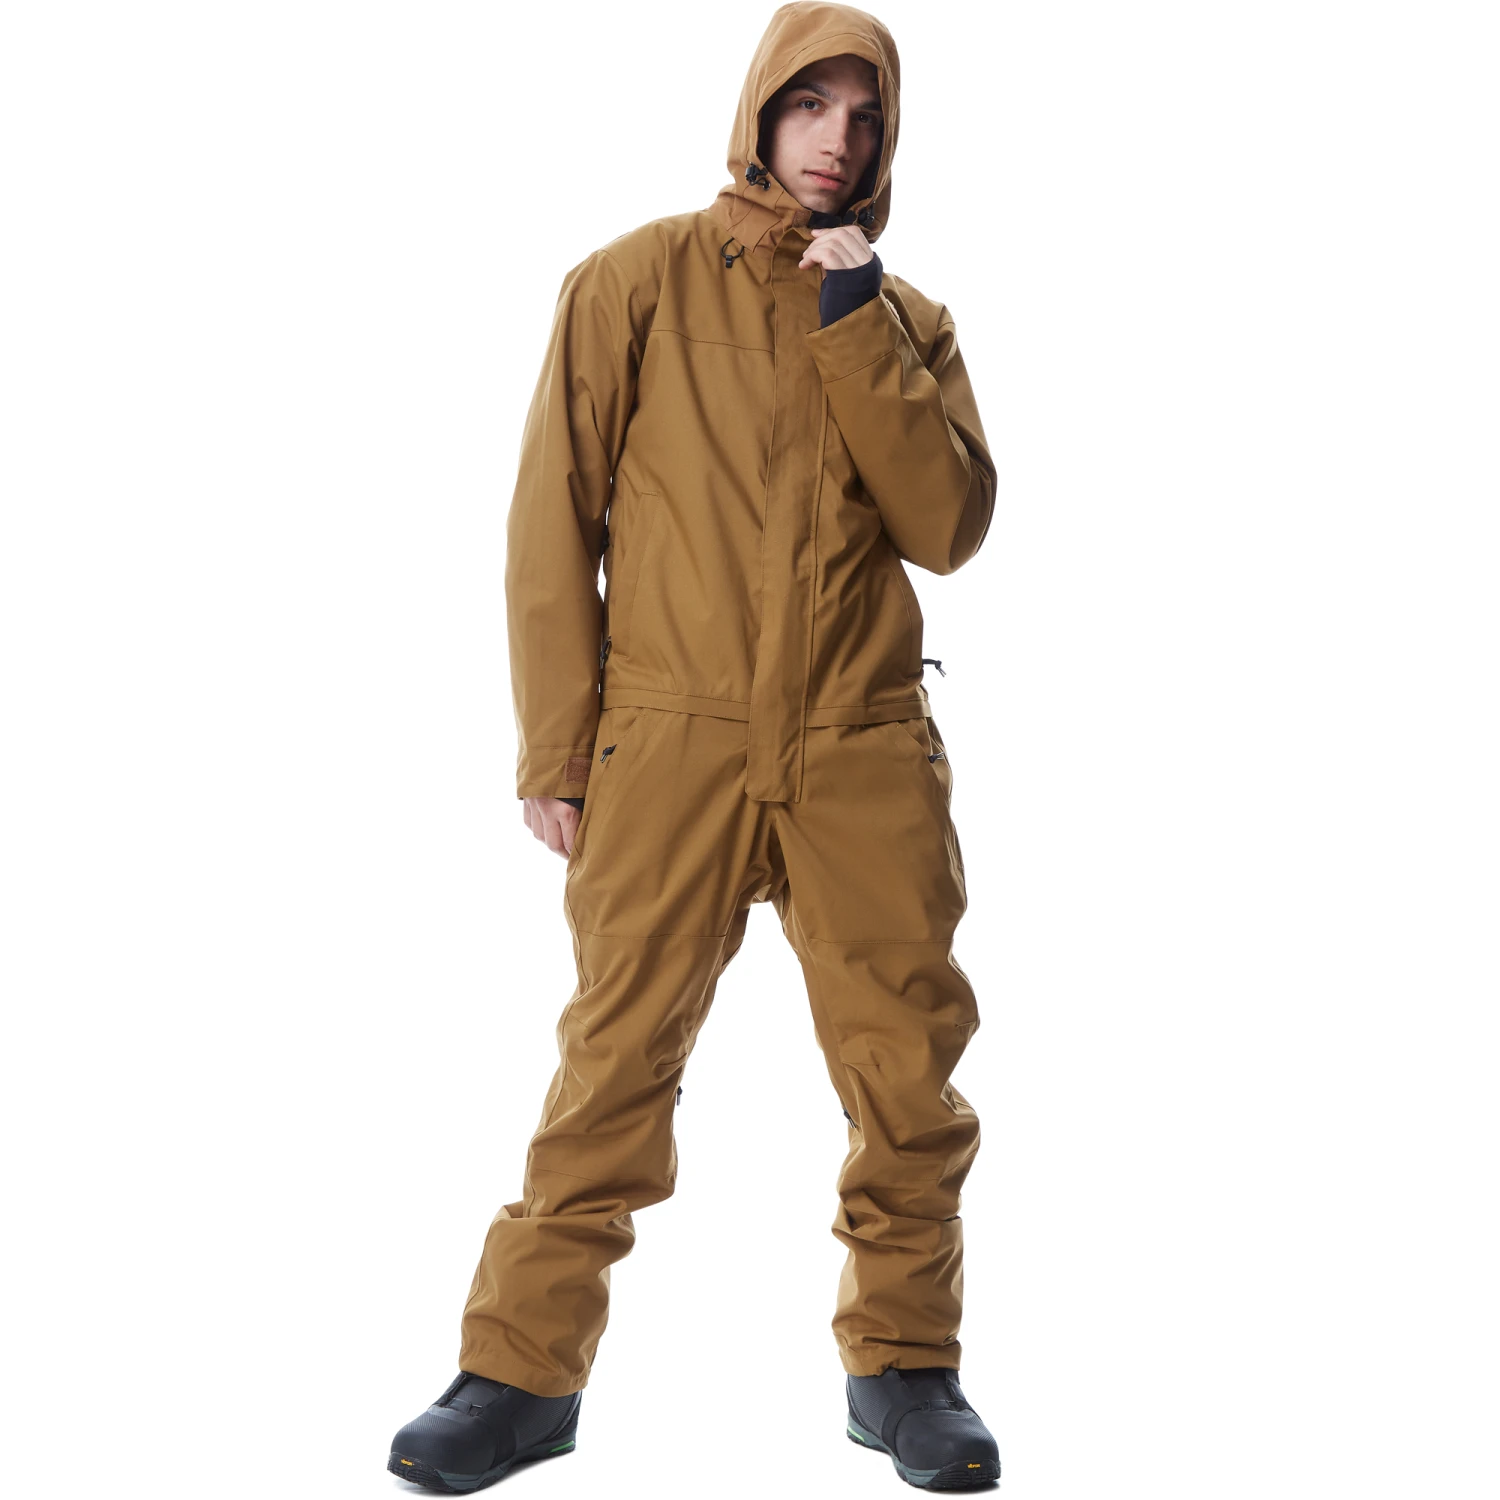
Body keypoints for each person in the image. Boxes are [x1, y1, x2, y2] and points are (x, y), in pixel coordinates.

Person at [388, 3, 1000, 1491]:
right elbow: (552, 521)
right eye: (812, 104)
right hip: (672, 741)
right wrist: (558, 747)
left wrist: (854, 323)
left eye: (865, 115)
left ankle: (905, 1366)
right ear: (760, 111)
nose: (836, 138)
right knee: (613, 1061)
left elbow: (948, 526)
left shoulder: (910, 323)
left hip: (862, 745)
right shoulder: (633, 282)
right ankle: (517, 1375)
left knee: (906, 1070)